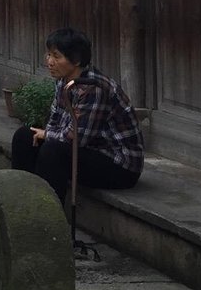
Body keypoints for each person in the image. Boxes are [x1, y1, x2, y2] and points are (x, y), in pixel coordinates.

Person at [11, 27, 143, 203]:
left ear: (76, 60)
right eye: (49, 55)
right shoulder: (63, 81)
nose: (50, 61)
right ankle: (21, 202)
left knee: (52, 151)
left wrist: (48, 136)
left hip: (119, 164)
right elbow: (55, 119)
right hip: (89, 149)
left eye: (56, 57)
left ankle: (48, 214)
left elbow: (77, 139)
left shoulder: (94, 88)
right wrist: (46, 135)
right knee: (25, 136)